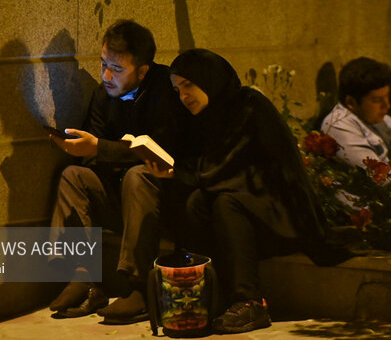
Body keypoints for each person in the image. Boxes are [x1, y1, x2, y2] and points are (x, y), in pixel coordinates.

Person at [146, 49, 352, 334]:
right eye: (177, 89)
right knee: (197, 202)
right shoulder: (199, 119)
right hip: (239, 213)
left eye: (188, 85)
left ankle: (250, 302)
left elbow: (227, 169)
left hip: (280, 210)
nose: (183, 96)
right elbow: (200, 172)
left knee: (225, 202)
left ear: (209, 79)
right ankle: (208, 294)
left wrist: (179, 173)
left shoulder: (248, 106)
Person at [47, 19, 182, 323]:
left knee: (138, 175)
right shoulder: (103, 94)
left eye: (117, 69)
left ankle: (137, 289)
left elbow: (164, 152)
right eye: (103, 63)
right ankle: (84, 277)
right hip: (117, 193)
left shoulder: (165, 89)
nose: (107, 75)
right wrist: (85, 150)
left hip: (162, 198)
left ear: (143, 71)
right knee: (73, 176)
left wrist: (102, 149)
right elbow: (93, 156)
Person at [321, 57, 391, 168]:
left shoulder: (384, 120)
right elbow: (379, 177)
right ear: (351, 103)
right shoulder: (338, 125)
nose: (387, 106)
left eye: (387, 97)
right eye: (377, 100)